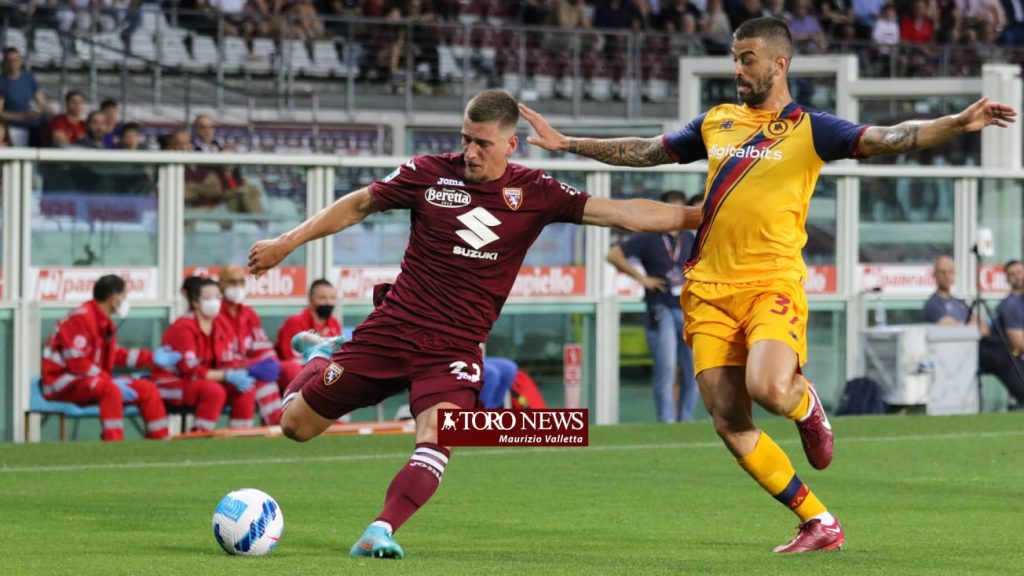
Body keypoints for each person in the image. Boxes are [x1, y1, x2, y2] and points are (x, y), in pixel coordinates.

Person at [517, 16, 1016, 553]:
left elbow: (889, 138)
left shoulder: (812, 128)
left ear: (779, 63)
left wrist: (956, 123)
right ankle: (818, 521)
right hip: (708, 289)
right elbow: (646, 149)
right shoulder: (716, 121)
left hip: (770, 282)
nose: (737, 69)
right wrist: (569, 143)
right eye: (735, 58)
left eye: (747, 59)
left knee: (771, 389)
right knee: (728, 420)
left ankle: (806, 405)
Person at [247, 89, 700, 560]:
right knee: (295, 426)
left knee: (438, 438)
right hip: (391, 331)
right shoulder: (427, 173)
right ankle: (322, 356)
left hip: (454, 350)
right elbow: (357, 204)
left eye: (483, 143)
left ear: (511, 145)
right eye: (465, 139)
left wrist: (703, 215)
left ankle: (379, 531)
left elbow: (624, 213)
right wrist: (286, 242)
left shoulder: (536, 191)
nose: (470, 152)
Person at [40, 274, 180, 441]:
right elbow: (77, 363)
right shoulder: (81, 318)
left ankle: (161, 441)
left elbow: (116, 355)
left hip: (89, 381)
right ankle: (113, 444)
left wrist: (152, 358)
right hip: (61, 382)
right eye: (124, 296)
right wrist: (108, 380)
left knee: (147, 389)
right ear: (114, 299)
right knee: (110, 389)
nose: (125, 301)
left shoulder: (103, 322)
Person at [606, 189, 698, 423]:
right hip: (661, 307)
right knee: (666, 368)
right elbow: (613, 255)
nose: (675, 215)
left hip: (688, 310)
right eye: (671, 210)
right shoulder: (649, 237)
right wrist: (642, 278)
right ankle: (667, 422)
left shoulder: (689, 238)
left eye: (679, 210)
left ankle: (686, 420)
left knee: (695, 369)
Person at [154, 277, 258, 431]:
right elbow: (190, 370)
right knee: (214, 391)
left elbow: (227, 359)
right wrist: (226, 376)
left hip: (204, 381)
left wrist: (244, 369)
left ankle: (241, 436)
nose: (215, 302)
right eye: (208, 297)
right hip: (171, 383)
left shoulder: (220, 324)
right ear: (195, 302)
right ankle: (200, 436)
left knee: (246, 388)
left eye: (217, 297)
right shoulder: (183, 327)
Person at [217, 264, 283, 425]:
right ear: (221, 284)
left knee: (269, 385)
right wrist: (249, 366)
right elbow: (219, 358)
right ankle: (240, 436)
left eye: (241, 282)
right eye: (232, 282)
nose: (237, 287)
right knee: (247, 387)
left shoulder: (249, 314)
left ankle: (277, 430)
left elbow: (264, 349)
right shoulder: (215, 314)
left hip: (246, 370)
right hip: (223, 374)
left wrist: (266, 363)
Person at [275, 278, 342, 392]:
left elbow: (337, 355)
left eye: (332, 298)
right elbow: (291, 358)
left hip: (322, 373)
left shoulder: (334, 323)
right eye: (322, 298)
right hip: (294, 375)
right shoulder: (295, 322)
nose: (328, 302)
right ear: (311, 300)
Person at [978, 260, 1024, 407]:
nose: (1017, 277)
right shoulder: (1011, 305)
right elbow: (1019, 344)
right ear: (1007, 279)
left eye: (1020, 272)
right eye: (1012, 274)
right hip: (1000, 356)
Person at [0, 47, 55, 145]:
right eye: (10, 60)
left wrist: (49, 111)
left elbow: (40, 100)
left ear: (21, 60)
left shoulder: (28, 77)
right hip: (13, 127)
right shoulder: (2, 82)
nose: (13, 63)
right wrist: (23, 116)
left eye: (16, 60)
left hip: (31, 125)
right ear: (5, 62)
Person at [922, 255, 975, 325]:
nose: (947, 276)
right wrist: (968, 325)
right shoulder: (932, 304)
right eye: (942, 272)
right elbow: (948, 326)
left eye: (950, 272)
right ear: (935, 275)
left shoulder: (961, 303)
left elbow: (977, 324)